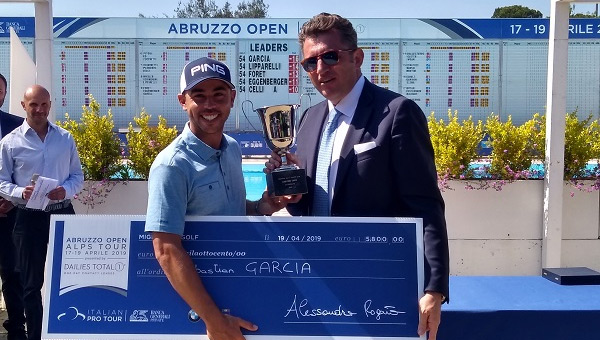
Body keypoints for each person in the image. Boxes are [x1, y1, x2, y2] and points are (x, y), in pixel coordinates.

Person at [266, 13, 450, 340]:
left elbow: (426, 206)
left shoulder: (396, 113)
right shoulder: (309, 120)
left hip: (378, 287)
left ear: (357, 57)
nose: (320, 69)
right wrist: (292, 193)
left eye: (330, 56)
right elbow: (307, 208)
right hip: (316, 287)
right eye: (310, 63)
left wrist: (434, 289)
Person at [144, 57, 298, 340]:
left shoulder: (232, 149)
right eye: (199, 96)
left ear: (232, 99)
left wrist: (265, 205)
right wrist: (214, 322)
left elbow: (235, 212)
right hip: (198, 315)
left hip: (241, 293)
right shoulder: (172, 166)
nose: (210, 105)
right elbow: (165, 249)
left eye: (218, 95)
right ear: (183, 101)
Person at [0, 84, 84, 340]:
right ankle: (35, 335)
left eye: (44, 104)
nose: (39, 109)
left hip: (62, 214)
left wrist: (65, 190)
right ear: (23, 106)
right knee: (30, 282)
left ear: (50, 105)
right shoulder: (10, 142)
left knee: (68, 278)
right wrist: (19, 193)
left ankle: (66, 331)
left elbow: (77, 176)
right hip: (27, 217)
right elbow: (2, 181)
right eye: (33, 104)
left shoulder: (65, 138)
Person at [0, 73, 27, 340]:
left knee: (12, 272)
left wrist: (11, 198)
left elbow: (28, 169)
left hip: (9, 212)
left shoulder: (18, 126)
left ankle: (16, 327)